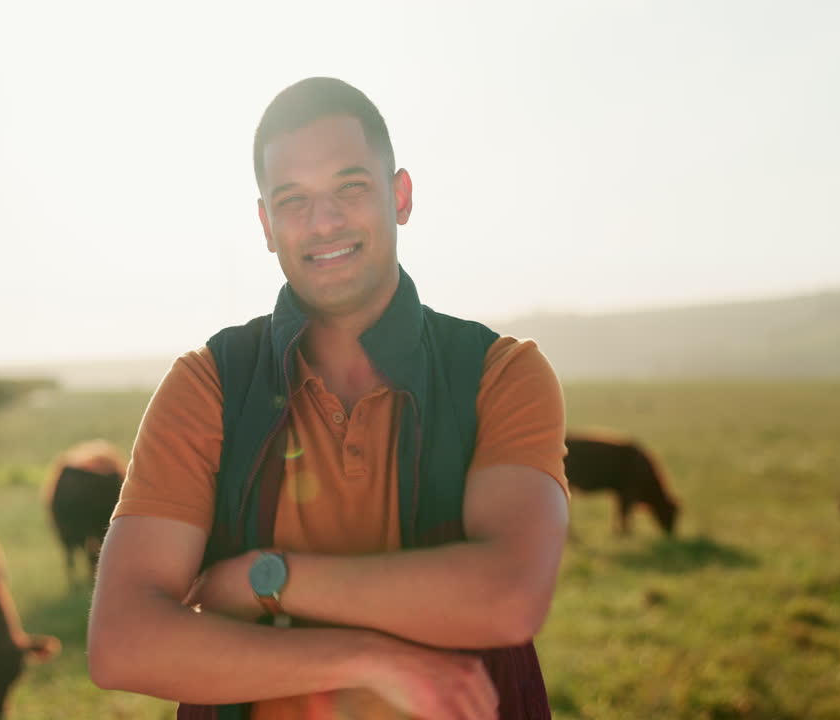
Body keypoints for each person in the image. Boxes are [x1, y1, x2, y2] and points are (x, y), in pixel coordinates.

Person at [88, 77, 569, 720]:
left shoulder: (498, 374)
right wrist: (373, 659)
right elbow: (121, 644)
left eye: (350, 187)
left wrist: (267, 578)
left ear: (400, 196)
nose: (325, 222)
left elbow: (509, 597)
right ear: (265, 224)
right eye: (294, 200)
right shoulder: (208, 384)